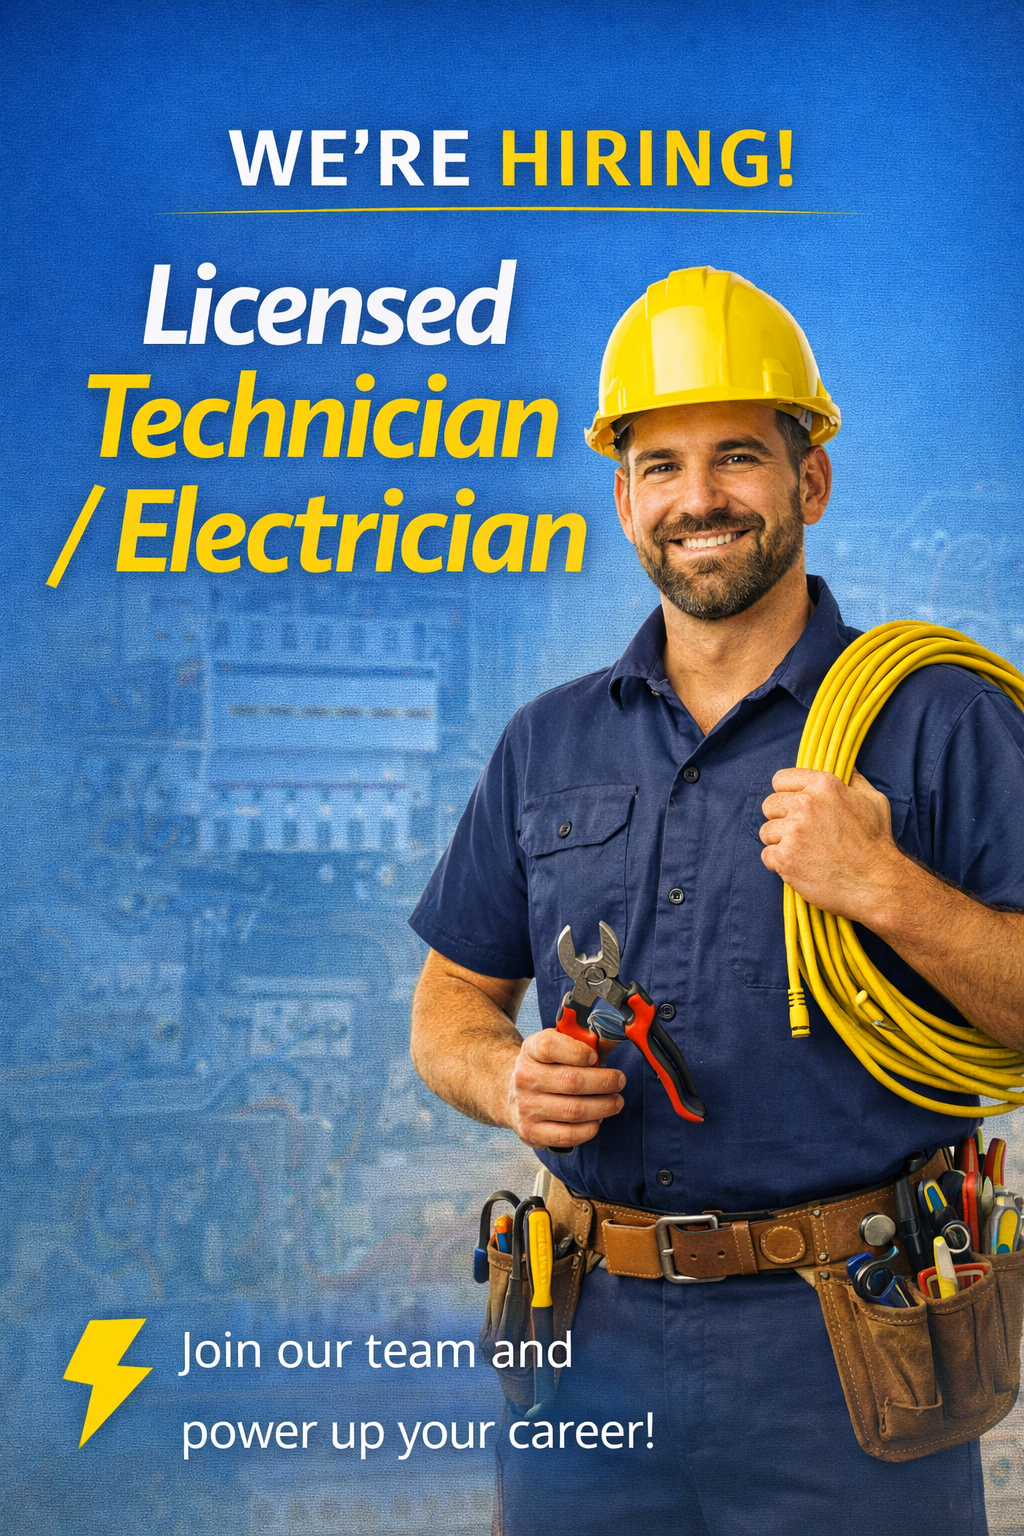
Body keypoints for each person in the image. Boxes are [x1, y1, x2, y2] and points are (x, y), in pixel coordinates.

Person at [408, 266, 1024, 1534]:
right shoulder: (546, 742)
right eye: (660, 464)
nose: (699, 499)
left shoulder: (940, 724)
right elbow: (448, 1010)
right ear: (625, 497)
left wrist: (883, 888)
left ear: (810, 481)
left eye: (737, 457)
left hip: (851, 1345)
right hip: (586, 1336)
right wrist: (503, 1077)